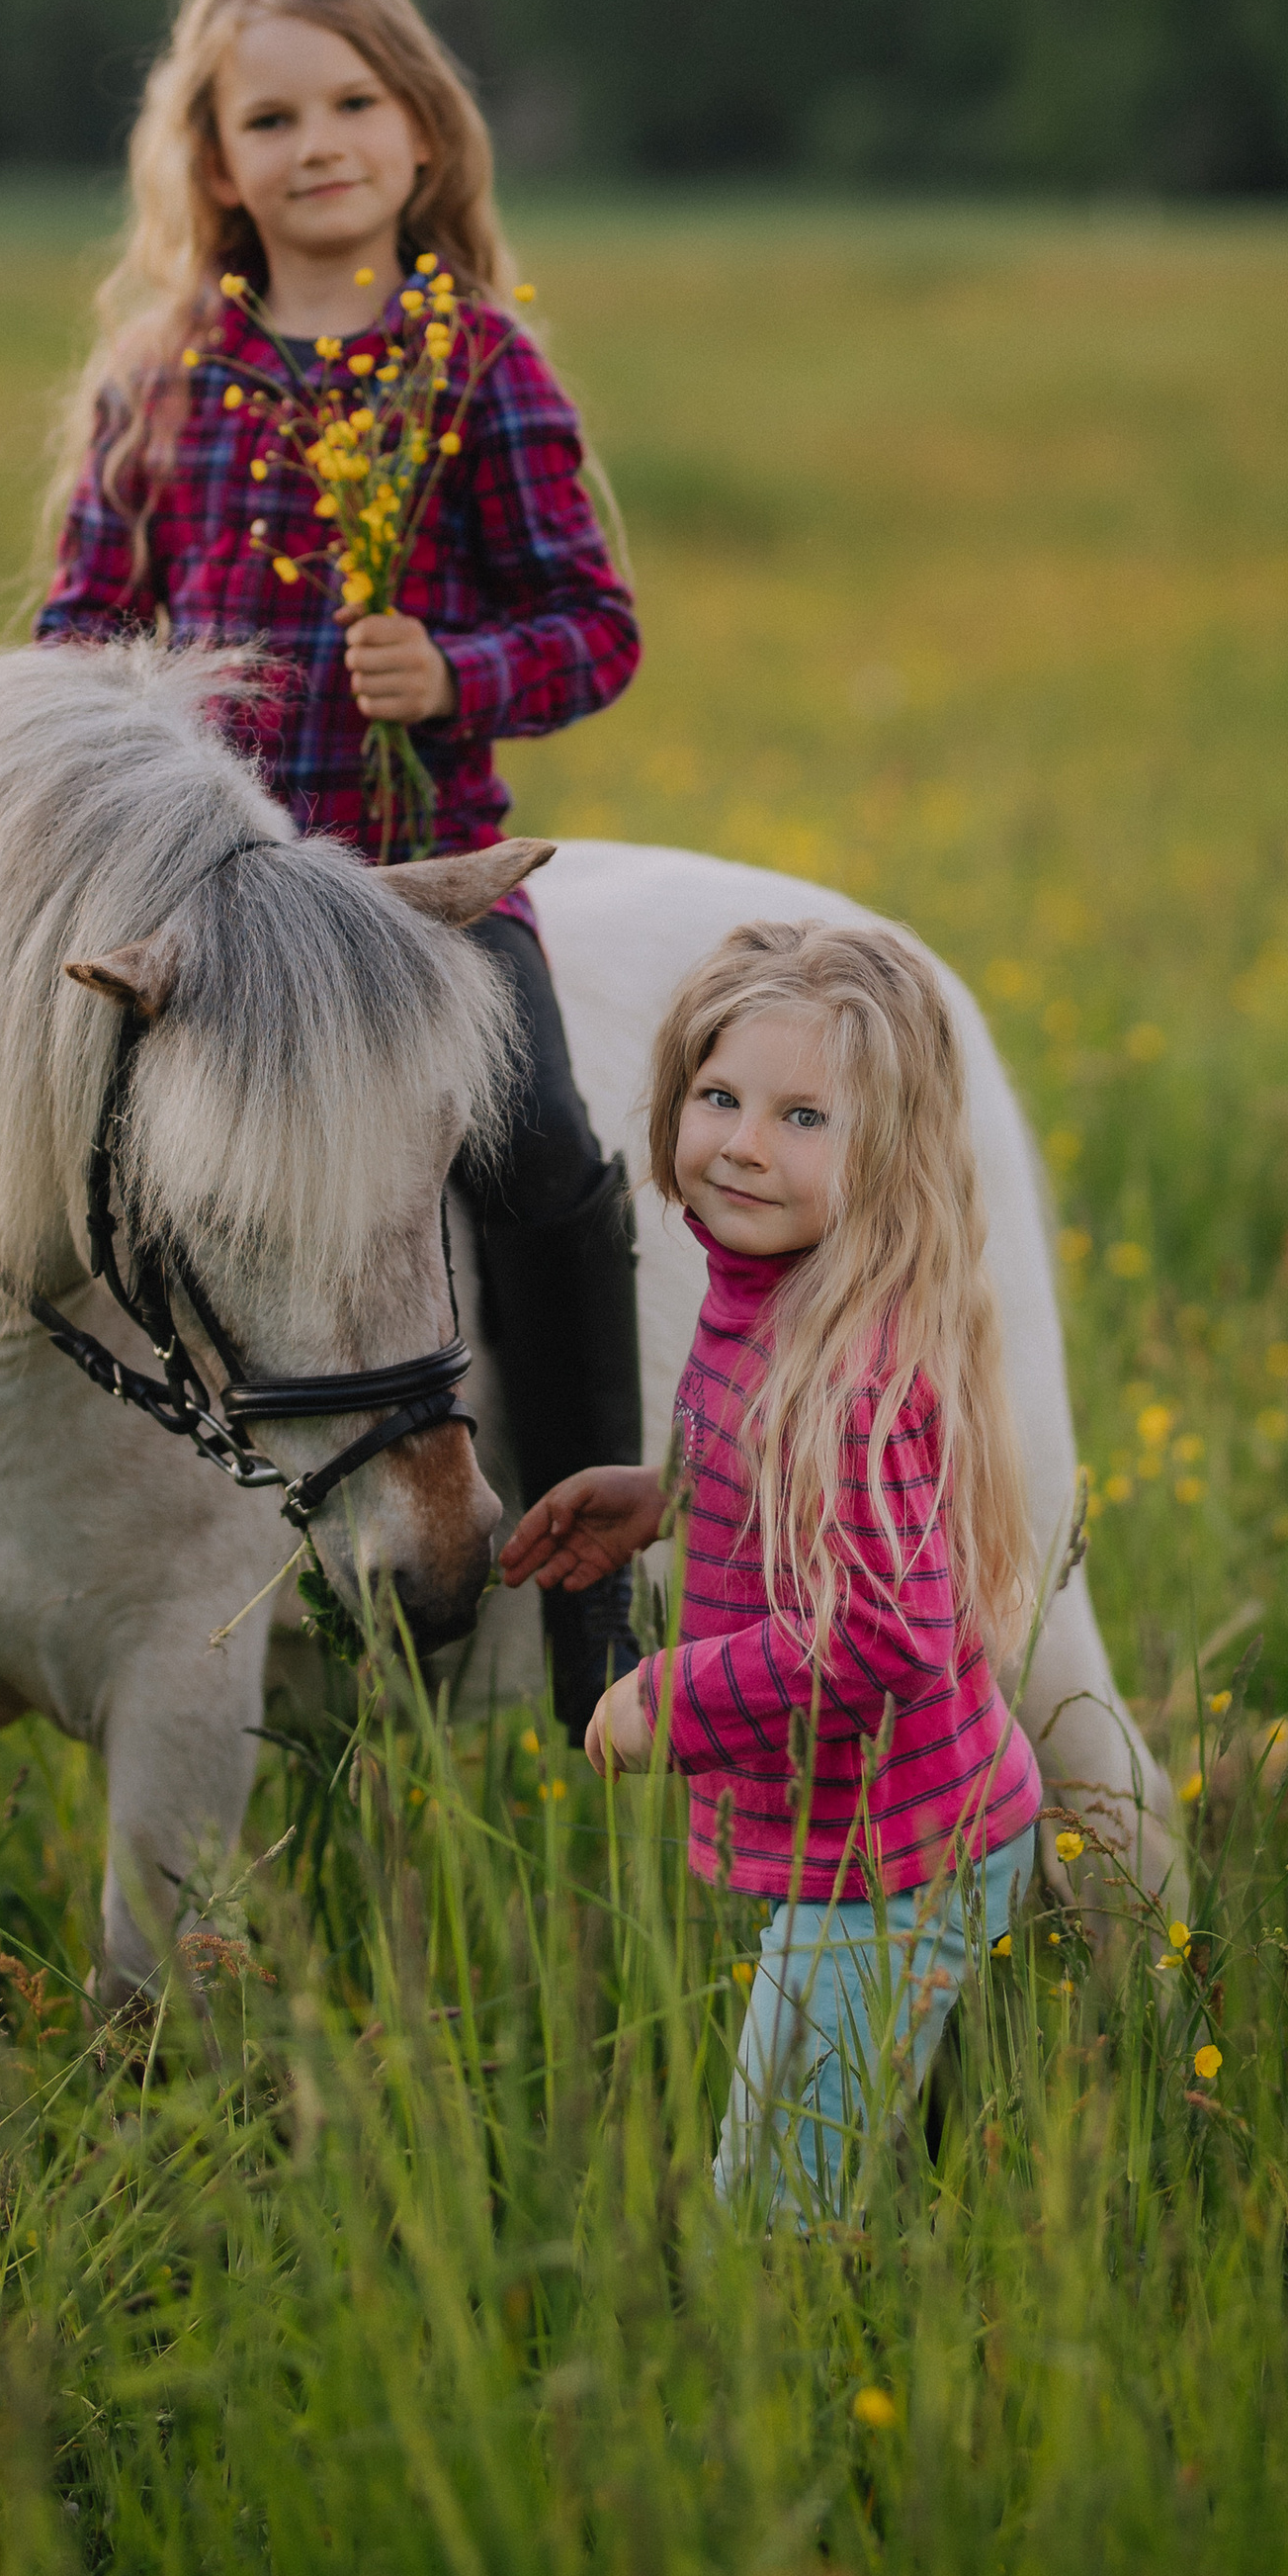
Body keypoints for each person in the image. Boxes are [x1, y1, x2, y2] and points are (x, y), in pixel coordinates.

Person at [0, 0, 647, 1738]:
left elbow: (596, 626)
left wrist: (460, 669)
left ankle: (588, 1602)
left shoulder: (481, 365)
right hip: (182, 907)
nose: (319, 141)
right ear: (214, 159)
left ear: (421, 128)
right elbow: (82, 631)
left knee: (549, 1165)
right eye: (272, 114)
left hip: (404, 901)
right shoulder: (161, 374)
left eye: (353, 102)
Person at [499, 918, 1043, 2218]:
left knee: (775, 2214)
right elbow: (782, 1483)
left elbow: (883, 1637)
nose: (741, 1142)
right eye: (720, 1096)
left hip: (897, 1865)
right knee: (865, 2161)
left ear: (889, 1156)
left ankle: (806, 2391)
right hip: (897, 1834)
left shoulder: (845, 1373)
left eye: (804, 1117)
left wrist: (665, 1699)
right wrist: (663, 1500)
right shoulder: (772, 1291)